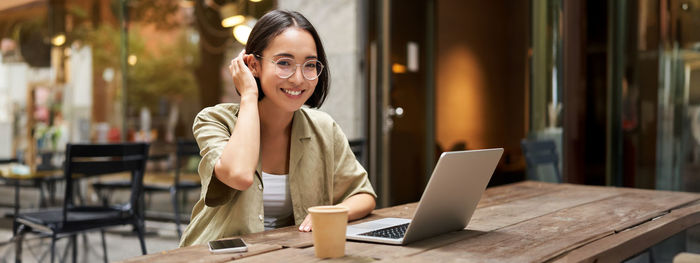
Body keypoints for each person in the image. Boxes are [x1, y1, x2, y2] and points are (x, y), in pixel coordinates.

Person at [179, 10, 376, 247]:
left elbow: (363, 195)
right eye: (284, 63)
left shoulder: (324, 128)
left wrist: (332, 212)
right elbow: (239, 175)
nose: (299, 78)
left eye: (310, 65)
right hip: (213, 256)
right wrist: (249, 94)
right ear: (253, 65)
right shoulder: (214, 120)